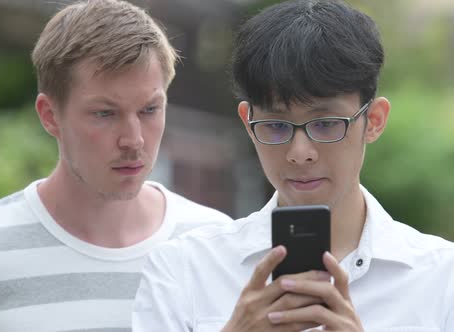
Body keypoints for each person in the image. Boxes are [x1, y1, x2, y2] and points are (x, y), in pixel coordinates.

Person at [0, 0, 232, 331]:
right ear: (49, 115)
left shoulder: (217, 245)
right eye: (105, 113)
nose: (133, 139)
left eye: (150, 109)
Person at [132, 0, 454, 331]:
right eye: (276, 126)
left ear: (373, 120)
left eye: (326, 124)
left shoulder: (441, 277)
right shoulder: (185, 269)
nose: (300, 153)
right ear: (248, 122)